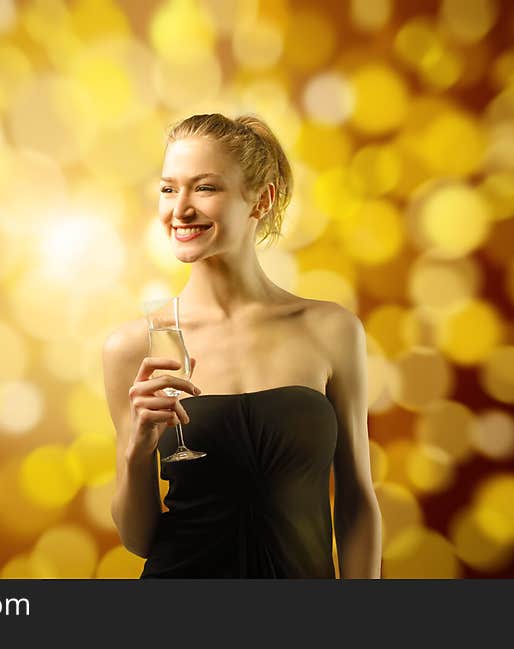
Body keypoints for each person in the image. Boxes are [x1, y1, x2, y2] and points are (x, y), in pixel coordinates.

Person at [102, 113, 382, 578]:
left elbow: (356, 499)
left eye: (205, 188)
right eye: (169, 188)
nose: (180, 208)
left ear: (261, 199)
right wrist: (136, 452)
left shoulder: (331, 329)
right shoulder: (131, 348)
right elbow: (139, 538)